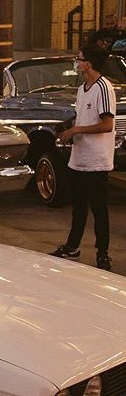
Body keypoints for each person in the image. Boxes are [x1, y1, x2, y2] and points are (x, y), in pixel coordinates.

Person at [51, 43, 116, 271]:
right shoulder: (82, 88)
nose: (76, 63)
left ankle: (103, 254)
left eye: (79, 59)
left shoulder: (103, 87)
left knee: (99, 208)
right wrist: (67, 128)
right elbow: (83, 118)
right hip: (79, 159)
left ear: (88, 63)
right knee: (78, 206)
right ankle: (72, 247)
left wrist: (77, 131)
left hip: (97, 160)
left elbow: (107, 125)